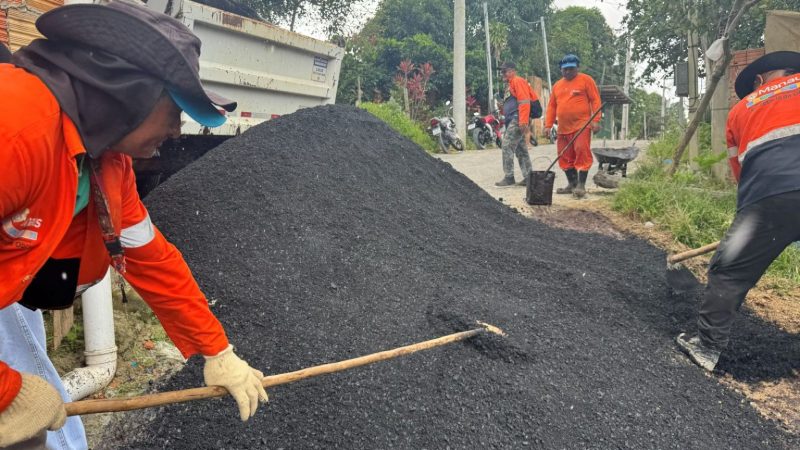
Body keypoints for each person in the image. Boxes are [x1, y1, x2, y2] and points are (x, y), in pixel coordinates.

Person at [0, 2, 268, 448]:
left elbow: (148, 254)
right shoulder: (17, 129)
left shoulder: (107, 165)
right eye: (176, 111)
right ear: (127, 93)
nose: (179, 132)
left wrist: (215, 349)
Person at [676, 51, 800, 372]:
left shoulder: (741, 110)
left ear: (759, 81)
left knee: (728, 270)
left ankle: (707, 348)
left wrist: (759, 220)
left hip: (767, 197)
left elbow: (742, 175)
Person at [544, 54, 602, 199]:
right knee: (564, 156)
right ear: (561, 70)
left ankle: (581, 185)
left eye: (571, 69)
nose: (568, 72)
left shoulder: (586, 80)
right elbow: (552, 106)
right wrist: (548, 125)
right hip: (563, 128)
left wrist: (596, 119)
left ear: (577, 67)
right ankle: (572, 183)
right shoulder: (557, 85)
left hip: (582, 125)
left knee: (581, 150)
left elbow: (595, 101)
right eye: (565, 70)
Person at [494, 61, 537, 187]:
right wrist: (503, 107)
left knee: (507, 145)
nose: (502, 74)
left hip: (518, 118)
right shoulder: (510, 85)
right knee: (521, 148)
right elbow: (513, 103)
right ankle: (529, 177)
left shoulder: (518, 81)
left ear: (513, 71)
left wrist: (523, 120)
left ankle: (509, 177)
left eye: (505, 71)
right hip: (513, 119)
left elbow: (524, 102)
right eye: (502, 71)